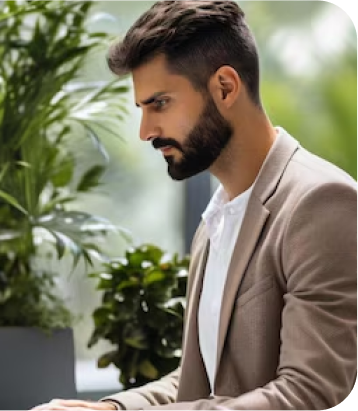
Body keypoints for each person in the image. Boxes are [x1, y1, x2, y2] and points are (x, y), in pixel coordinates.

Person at [29, 0, 358, 410]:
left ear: (225, 87)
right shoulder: (217, 220)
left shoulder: (320, 203)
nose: (146, 131)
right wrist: (111, 408)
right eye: (142, 108)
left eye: (160, 103)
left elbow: (311, 394)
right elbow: (199, 381)